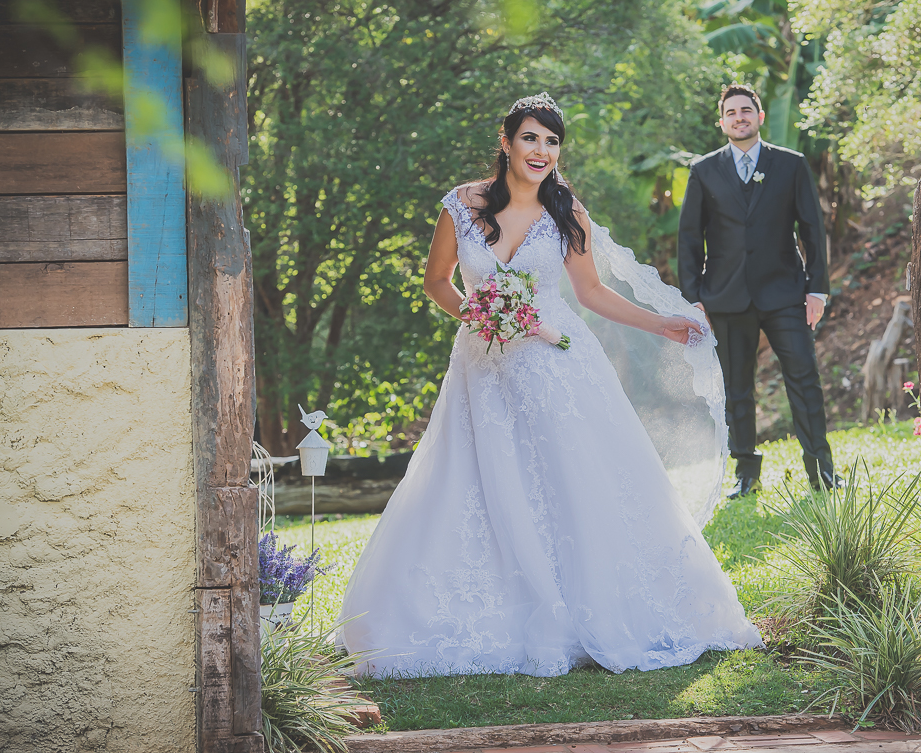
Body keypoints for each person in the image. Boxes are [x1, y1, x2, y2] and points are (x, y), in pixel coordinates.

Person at [337, 93, 762, 677]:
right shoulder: (461, 206)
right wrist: (481, 315)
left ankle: (597, 605)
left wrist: (662, 322)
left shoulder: (568, 213)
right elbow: (437, 281)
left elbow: (590, 294)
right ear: (506, 141)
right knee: (474, 480)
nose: (542, 151)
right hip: (482, 366)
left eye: (552, 141)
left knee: (574, 478)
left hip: (559, 363)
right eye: (531, 138)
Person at [678, 84, 841, 499]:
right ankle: (745, 473)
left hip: (785, 292)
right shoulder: (704, 170)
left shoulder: (790, 164)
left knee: (805, 378)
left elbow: (812, 230)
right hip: (726, 296)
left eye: (746, 110)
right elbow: (689, 238)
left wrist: (817, 291)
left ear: (760, 116)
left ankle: (822, 471)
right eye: (730, 112)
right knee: (737, 388)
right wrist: (693, 297)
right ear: (722, 122)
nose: (739, 117)